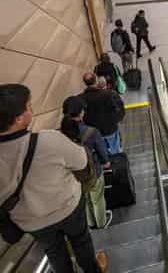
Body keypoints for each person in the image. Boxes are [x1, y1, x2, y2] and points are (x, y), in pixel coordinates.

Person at [0, 84, 106, 273]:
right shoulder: (48, 140)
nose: (32, 109)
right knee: (81, 241)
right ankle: (92, 270)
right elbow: (82, 161)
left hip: (31, 221)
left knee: (54, 252)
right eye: (28, 106)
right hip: (67, 208)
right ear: (18, 119)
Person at [61, 97, 112, 230]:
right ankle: (102, 223)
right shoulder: (91, 132)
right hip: (93, 170)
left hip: (75, 175)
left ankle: (90, 224)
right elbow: (102, 150)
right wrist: (106, 162)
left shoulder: (61, 134)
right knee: (97, 198)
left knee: (85, 199)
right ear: (81, 112)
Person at [79, 73, 125, 155]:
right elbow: (120, 110)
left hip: (93, 133)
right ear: (96, 81)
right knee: (115, 150)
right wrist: (115, 121)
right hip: (110, 130)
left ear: (85, 83)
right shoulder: (110, 94)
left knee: (99, 152)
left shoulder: (80, 99)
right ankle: (116, 162)